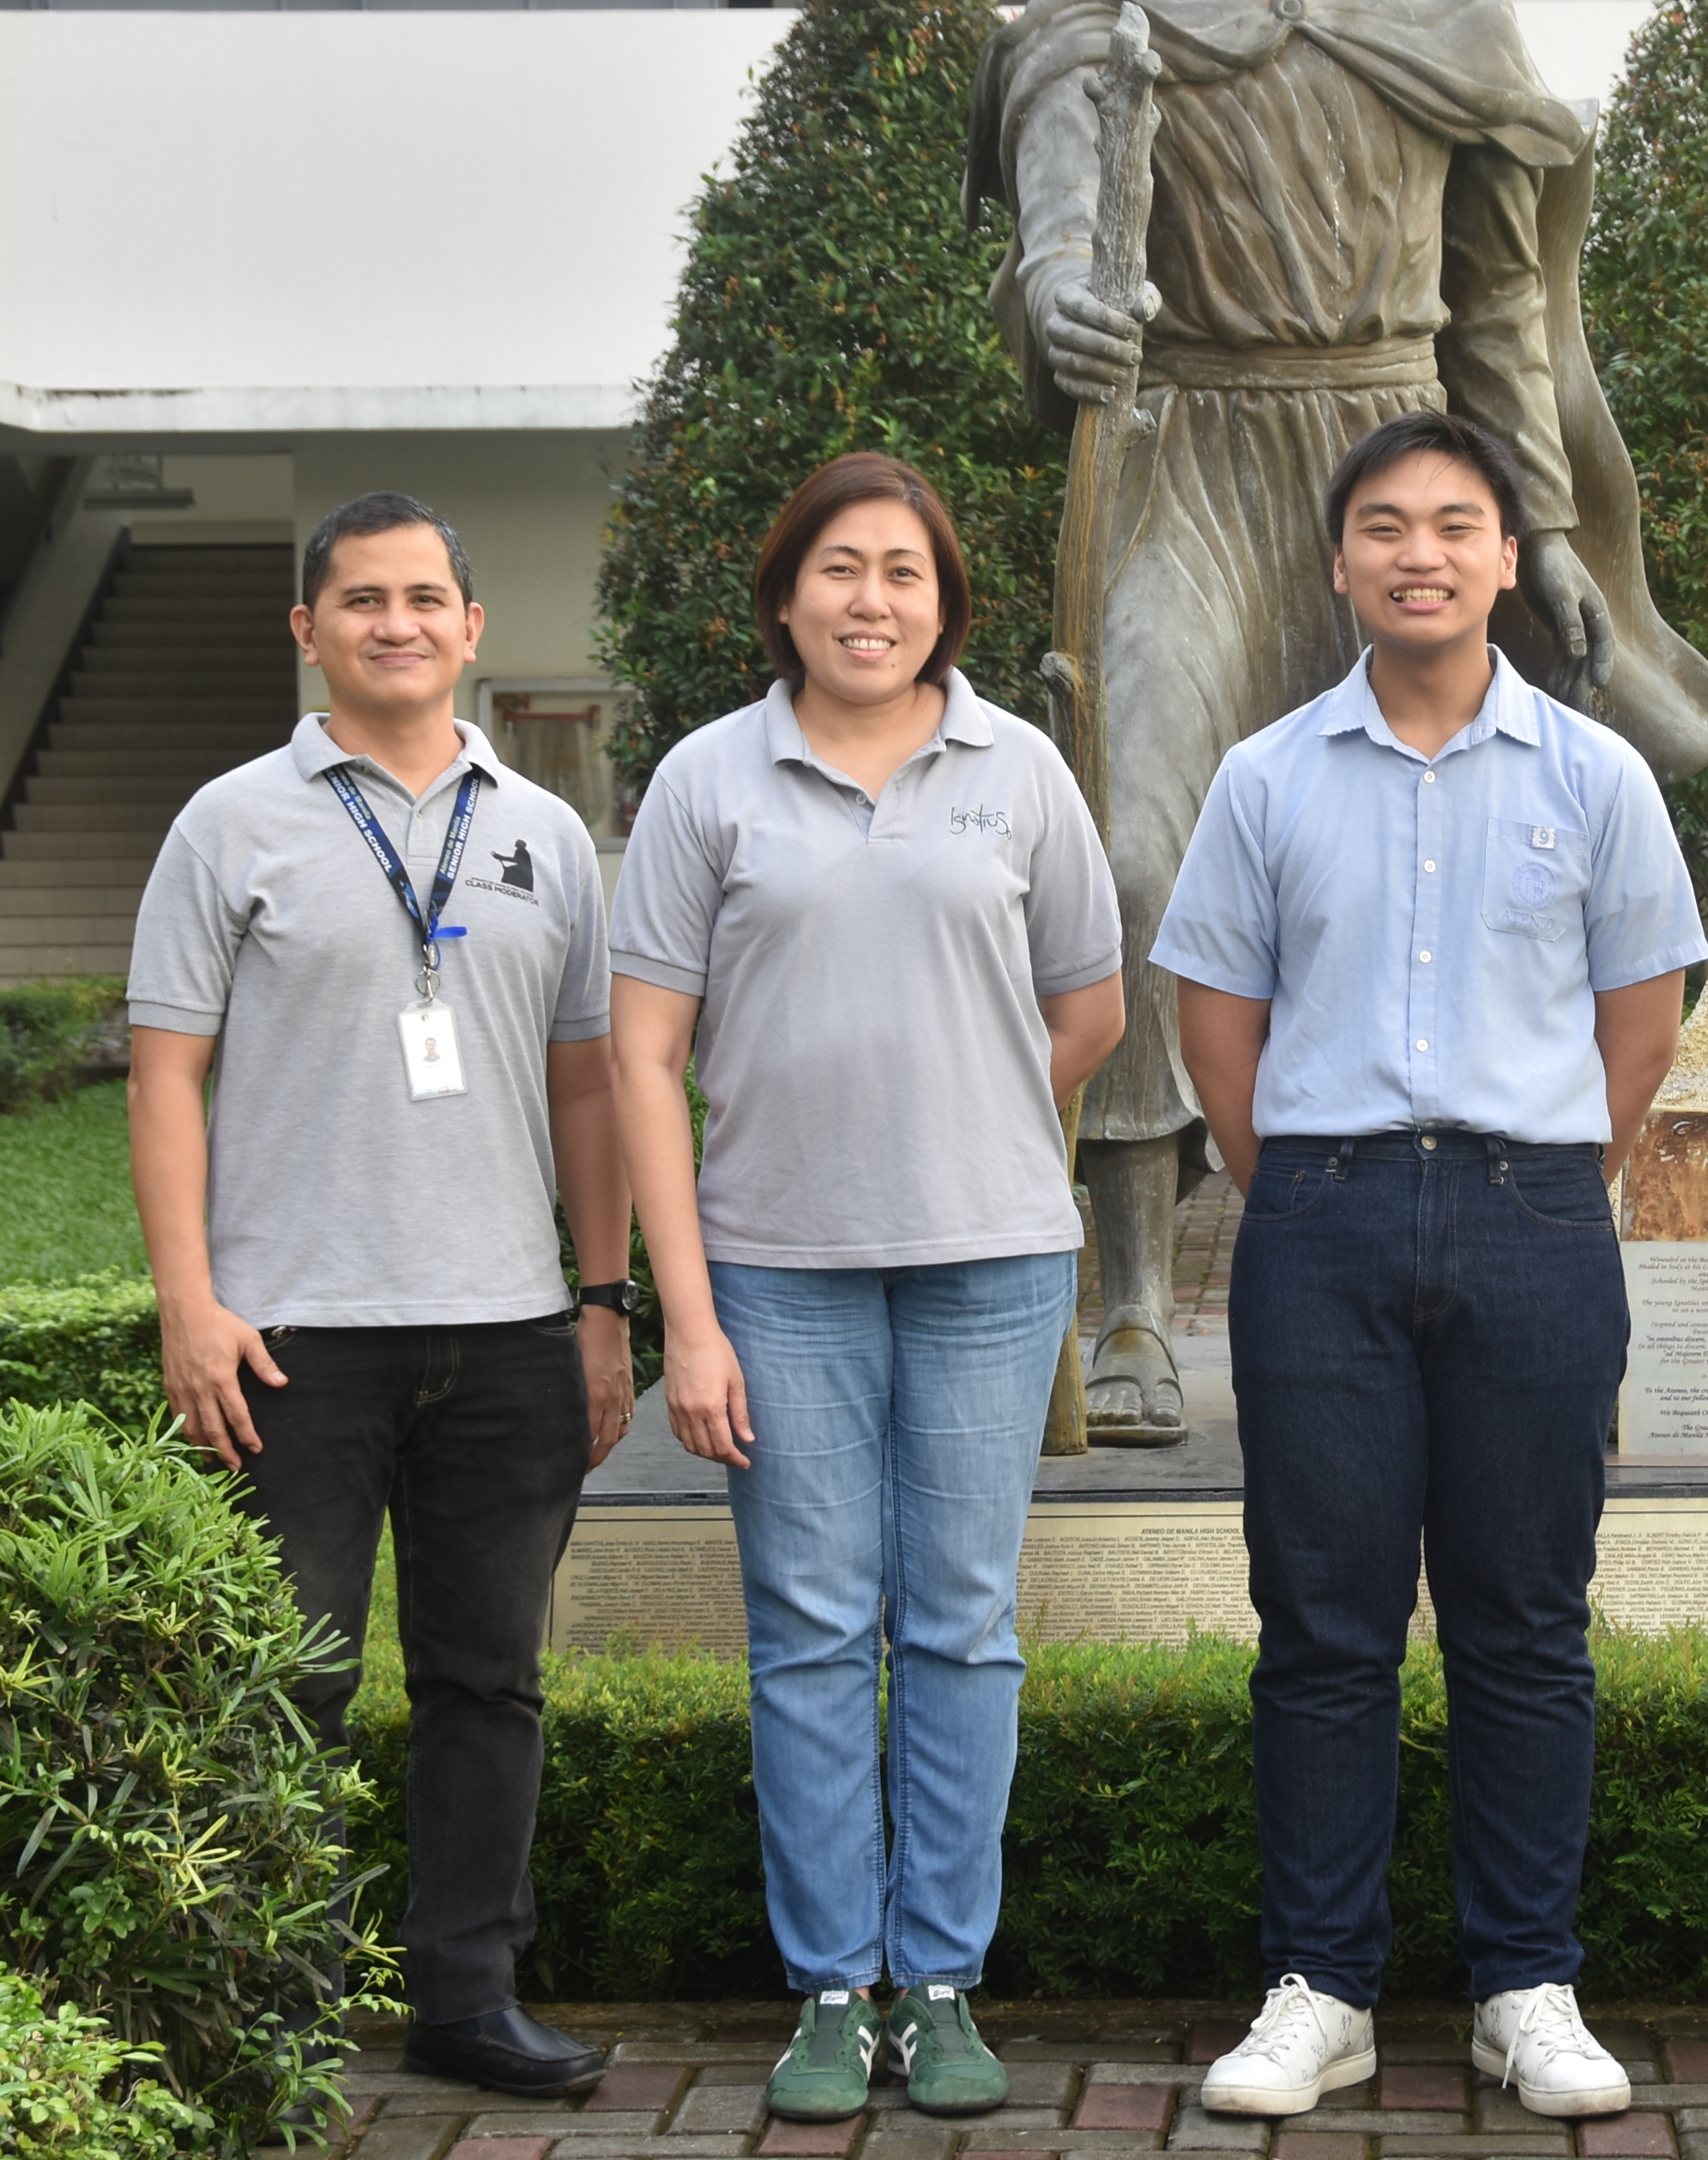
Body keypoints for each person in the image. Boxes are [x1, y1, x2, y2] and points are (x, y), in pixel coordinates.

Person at [970, 0, 1708, 1445]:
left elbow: (1499, 319)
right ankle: (1140, 1293)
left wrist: (1534, 528)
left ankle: (1495, 1246)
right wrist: (1056, 309)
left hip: (1396, 462)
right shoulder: (1107, 2)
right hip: (1189, 456)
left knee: (1443, 867)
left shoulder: (1450, 20)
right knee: (1144, 839)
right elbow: (1056, 246)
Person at [1153, 410, 1705, 2123]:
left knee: (1523, 1625)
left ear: (1502, 556)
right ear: (1340, 562)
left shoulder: (1594, 776)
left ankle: (1521, 1984)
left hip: (1536, 1220)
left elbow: (1641, 1024)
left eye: (1454, 525)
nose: (1419, 553)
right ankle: (1317, 1985)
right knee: (1319, 1627)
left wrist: (1538, 1174)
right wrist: (1308, 1186)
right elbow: (1215, 1025)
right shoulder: (1262, 777)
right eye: (1385, 526)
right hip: (1318, 1222)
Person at [606, 455, 1126, 2125]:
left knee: (961, 1630)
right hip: (775, 1271)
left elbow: (1090, 1008)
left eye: (903, 571)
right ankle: (833, 1990)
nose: (871, 599)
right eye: (840, 568)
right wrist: (683, 1315)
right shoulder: (707, 781)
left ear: (943, 604)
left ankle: (946, 1986)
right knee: (813, 1632)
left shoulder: (1018, 771)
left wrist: (965, 1121)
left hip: (990, 1265)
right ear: (783, 598)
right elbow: (641, 1053)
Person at [128, 491, 637, 2101]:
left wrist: (603, 1303)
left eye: (427, 597)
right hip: (295, 1340)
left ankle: (465, 1998)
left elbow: (586, 1093)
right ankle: (269, 2002)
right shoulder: (230, 824)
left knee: (488, 1683)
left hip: (504, 1333)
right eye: (362, 599)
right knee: (292, 1680)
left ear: (473, 627)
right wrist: (187, 1303)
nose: (397, 622)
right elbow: (165, 1078)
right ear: (310, 630)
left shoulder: (547, 833)